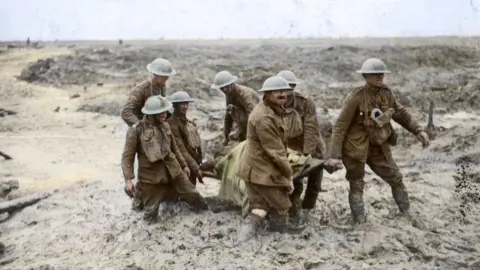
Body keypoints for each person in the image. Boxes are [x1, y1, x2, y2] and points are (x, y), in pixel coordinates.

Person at [329, 58, 430, 224]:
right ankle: (359, 222)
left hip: (378, 146)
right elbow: (339, 127)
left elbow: (400, 113)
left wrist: (418, 130)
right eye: (375, 74)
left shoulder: (386, 94)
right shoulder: (355, 97)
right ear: (366, 76)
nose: (380, 77)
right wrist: (334, 156)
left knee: (396, 178)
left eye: (382, 74)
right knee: (356, 184)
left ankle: (406, 214)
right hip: (355, 149)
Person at [121, 95, 208, 224]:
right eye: (160, 112)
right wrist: (128, 180)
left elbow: (175, 148)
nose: (164, 114)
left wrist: (184, 166)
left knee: (194, 196)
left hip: (174, 172)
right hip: (151, 179)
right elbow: (127, 157)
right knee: (149, 216)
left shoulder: (165, 125)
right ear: (151, 114)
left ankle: (206, 219)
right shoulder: (136, 131)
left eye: (165, 111)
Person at [236, 75, 300, 241]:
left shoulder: (271, 110)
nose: (282, 94)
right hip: (260, 170)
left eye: (284, 91)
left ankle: (243, 240)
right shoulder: (264, 117)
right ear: (267, 94)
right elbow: (276, 152)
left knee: (259, 207)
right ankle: (277, 236)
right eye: (277, 91)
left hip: (254, 167)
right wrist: (289, 176)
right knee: (283, 205)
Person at [277, 70, 327, 223]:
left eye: (290, 87)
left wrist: (307, 154)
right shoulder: (272, 103)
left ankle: (307, 210)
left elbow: (311, 130)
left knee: (315, 183)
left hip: (312, 146)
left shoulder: (305, 103)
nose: (287, 92)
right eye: (283, 88)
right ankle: (294, 211)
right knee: (295, 181)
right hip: (290, 147)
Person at [121, 58, 176, 127]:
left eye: (167, 76)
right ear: (156, 74)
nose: (167, 78)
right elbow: (126, 112)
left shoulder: (162, 87)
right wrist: (139, 125)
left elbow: (162, 108)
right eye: (164, 76)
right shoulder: (141, 89)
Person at [210, 71, 260, 145]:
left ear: (231, 84)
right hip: (244, 124)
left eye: (226, 87)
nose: (224, 90)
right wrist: (226, 136)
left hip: (257, 123)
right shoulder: (229, 94)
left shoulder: (244, 93)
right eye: (222, 88)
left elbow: (253, 115)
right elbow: (228, 116)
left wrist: (250, 135)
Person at [167, 91, 204, 186]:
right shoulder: (171, 124)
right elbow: (180, 148)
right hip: (181, 164)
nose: (185, 106)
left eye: (186, 103)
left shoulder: (189, 123)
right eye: (182, 104)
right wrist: (195, 167)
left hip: (191, 162)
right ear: (175, 105)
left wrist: (199, 161)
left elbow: (196, 145)